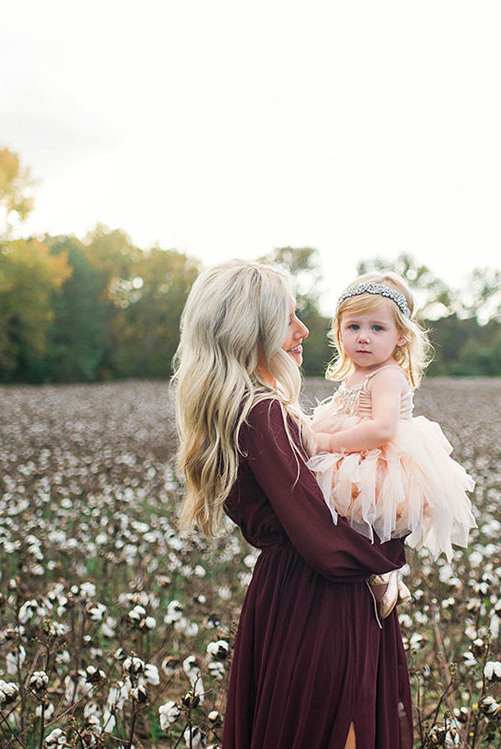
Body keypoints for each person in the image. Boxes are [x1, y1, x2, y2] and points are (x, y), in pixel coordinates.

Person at [172, 259, 413, 749]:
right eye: (288, 319)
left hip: (287, 591)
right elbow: (321, 537)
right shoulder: (263, 413)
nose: (304, 330)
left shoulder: (242, 407)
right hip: (321, 599)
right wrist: (385, 561)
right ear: (251, 331)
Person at [304, 271, 476, 618]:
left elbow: (382, 429)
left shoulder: (388, 375)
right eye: (353, 327)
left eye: (377, 328)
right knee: (342, 517)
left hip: (379, 458)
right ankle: (380, 572)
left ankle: (384, 572)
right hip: (354, 451)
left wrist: (329, 441)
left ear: (401, 336)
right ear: (339, 331)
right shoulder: (357, 371)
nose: (363, 337)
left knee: (368, 517)